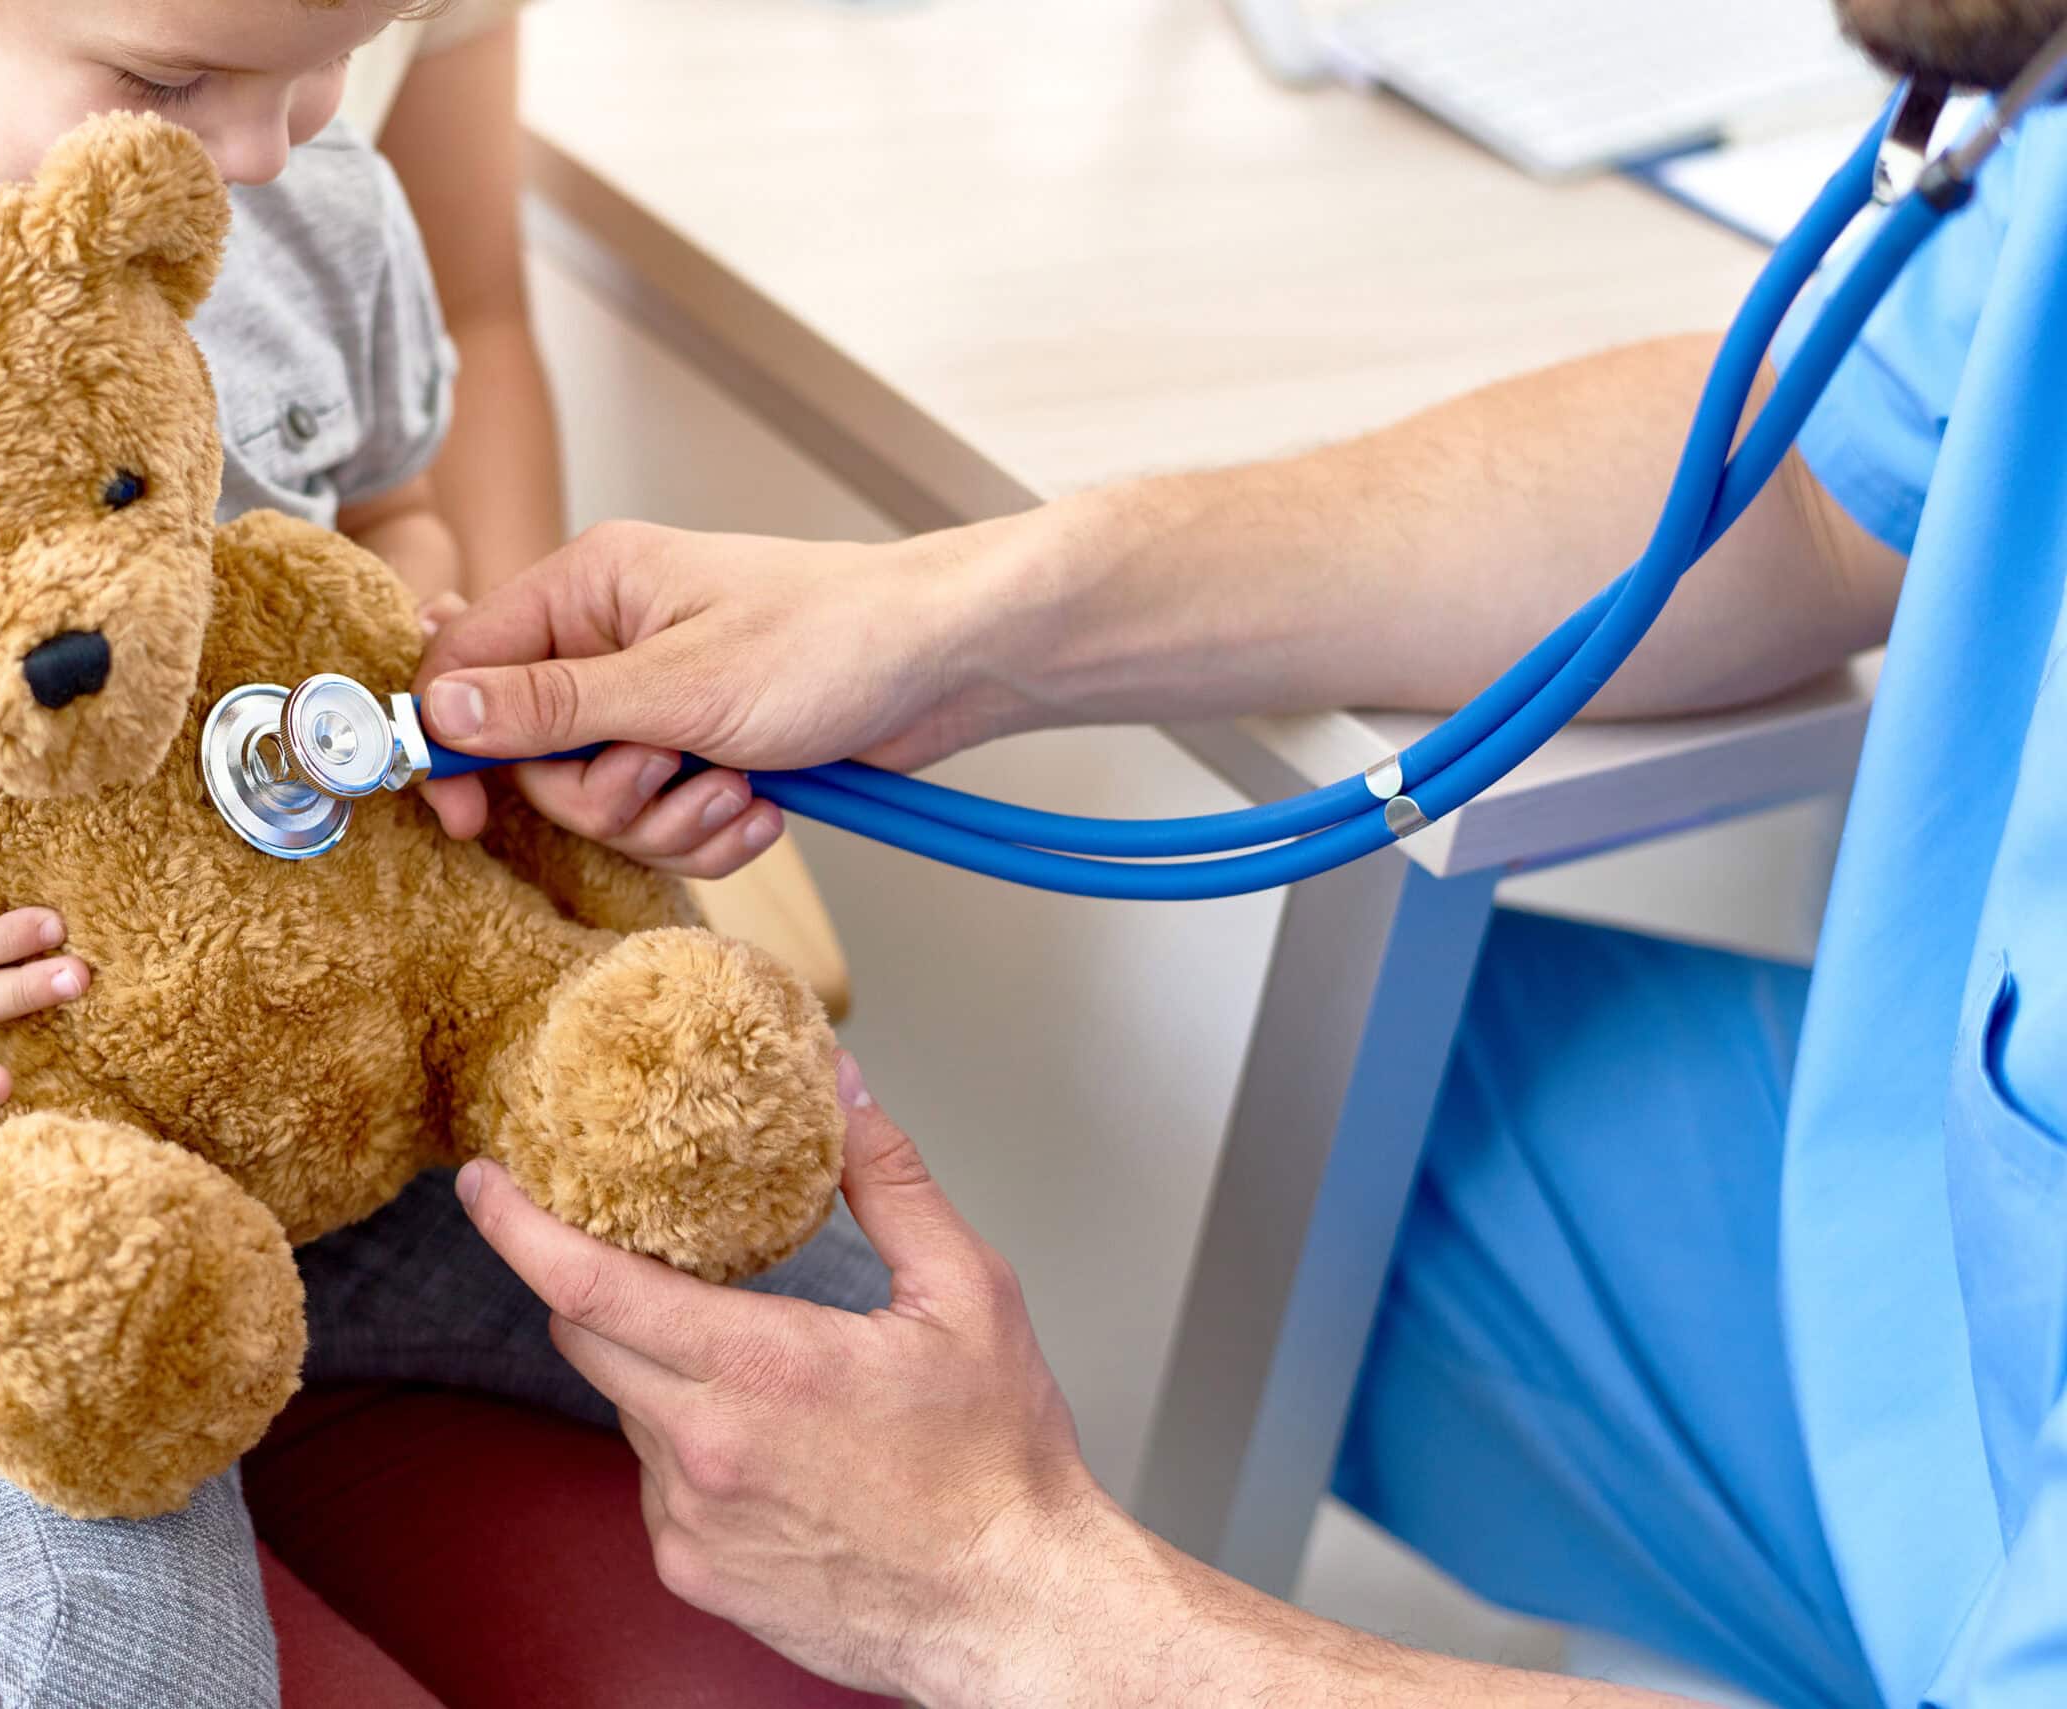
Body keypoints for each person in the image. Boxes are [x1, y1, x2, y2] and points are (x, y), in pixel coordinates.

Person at [402, 2, 2067, 1702]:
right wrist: (958, 615)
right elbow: (1814, 487)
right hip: (1961, 1259)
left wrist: (1015, 1592)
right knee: (1271, 1113)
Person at [0, 1, 887, 1703]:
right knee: (131, 1676)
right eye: (169, 86)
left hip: (363, 1045)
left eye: (324, 62)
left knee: (850, 1310)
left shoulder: (316, 207)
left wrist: (446, 683)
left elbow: (393, 508)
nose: (254, 148)